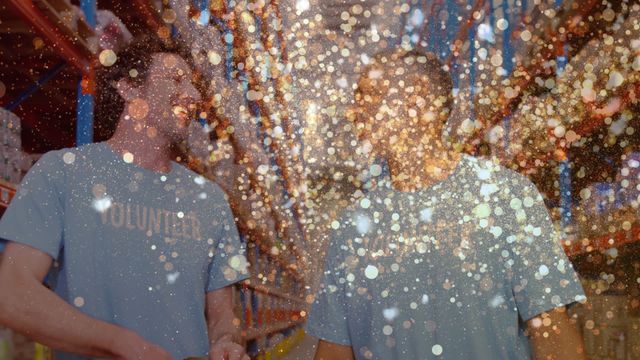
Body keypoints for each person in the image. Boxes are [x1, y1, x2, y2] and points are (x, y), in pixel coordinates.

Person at [305, 49, 588, 360]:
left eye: (369, 95)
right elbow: (334, 349)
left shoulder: (506, 196)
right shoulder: (353, 226)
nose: (354, 112)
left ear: (419, 99)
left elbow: (551, 330)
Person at [0, 35, 250, 360]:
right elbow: (11, 292)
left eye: (193, 85)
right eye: (176, 80)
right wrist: (119, 343)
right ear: (129, 89)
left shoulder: (211, 200)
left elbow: (223, 314)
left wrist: (226, 341)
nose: (192, 95)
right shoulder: (64, 173)